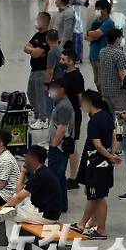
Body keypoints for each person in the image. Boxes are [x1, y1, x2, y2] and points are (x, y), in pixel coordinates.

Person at [0, 145, 61, 250]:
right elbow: (19, 192)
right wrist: (23, 172)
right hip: (41, 210)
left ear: (34, 158)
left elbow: (20, 196)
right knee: (14, 204)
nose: (25, 159)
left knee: (9, 213)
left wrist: (5, 207)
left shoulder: (41, 175)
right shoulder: (41, 172)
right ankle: (17, 247)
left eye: (27, 156)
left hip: (46, 216)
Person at [71, 90, 120, 240]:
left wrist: (110, 156)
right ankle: (93, 223)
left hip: (96, 164)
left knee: (96, 197)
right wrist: (112, 154)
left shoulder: (94, 121)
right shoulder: (106, 116)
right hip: (105, 165)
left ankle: (96, 228)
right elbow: (114, 137)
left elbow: (97, 146)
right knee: (97, 195)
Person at [46, 80, 75, 213]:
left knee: (54, 177)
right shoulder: (60, 103)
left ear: (62, 89)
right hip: (59, 147)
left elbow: (62, 128)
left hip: (59, 147)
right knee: (60, 177)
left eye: (53, 89)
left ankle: (54, 205)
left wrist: (53, 145)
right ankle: (62, 205)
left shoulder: (63, 106)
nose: (50, 92)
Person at [59, 49, 85, 190]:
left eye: (63, 59)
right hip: (64, 114)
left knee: (71, 147)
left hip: (72, 116)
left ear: (70, 61)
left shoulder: (76, 77)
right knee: (66, 145)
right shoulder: (66, 74)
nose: (61, 61)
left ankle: (74, 178)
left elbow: (80, 99)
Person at [24, 12, 50, 130]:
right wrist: (33, 50)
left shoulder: (47, 36)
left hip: (42, 70)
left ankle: (43, 119)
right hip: (34, 69)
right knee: (31, 92)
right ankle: (37, 112)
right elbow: (26, 47)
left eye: (38, 19)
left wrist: (33, 50)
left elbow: (36, 54)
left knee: (41, 95)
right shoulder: (37, 35)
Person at [86, 0, 115, 95]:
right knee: (97, 81)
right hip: (93, 55)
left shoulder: (109, 23)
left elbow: (97, 34)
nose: (96, 11)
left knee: (103, 83)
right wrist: (92, 35)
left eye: (98, 9)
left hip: (103, 57)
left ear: (105, 9)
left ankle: (106, 103)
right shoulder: (96, 22)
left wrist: (91, 34)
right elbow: (87, 37)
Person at [99, 28, 126, 114]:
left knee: (107, 115)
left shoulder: (102, 51)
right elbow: (121, 74)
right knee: (121, 116)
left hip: (105, 90)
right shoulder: (119, 53)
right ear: (117, 39)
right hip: (117, 91)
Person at [44, 29, 64, 113]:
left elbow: (50, 71)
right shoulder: (61, 48)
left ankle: (48, 119)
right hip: (63, 79)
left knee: (47, 98)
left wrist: (46, 84)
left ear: (47, 39)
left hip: (56, 81)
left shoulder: (52, 52)